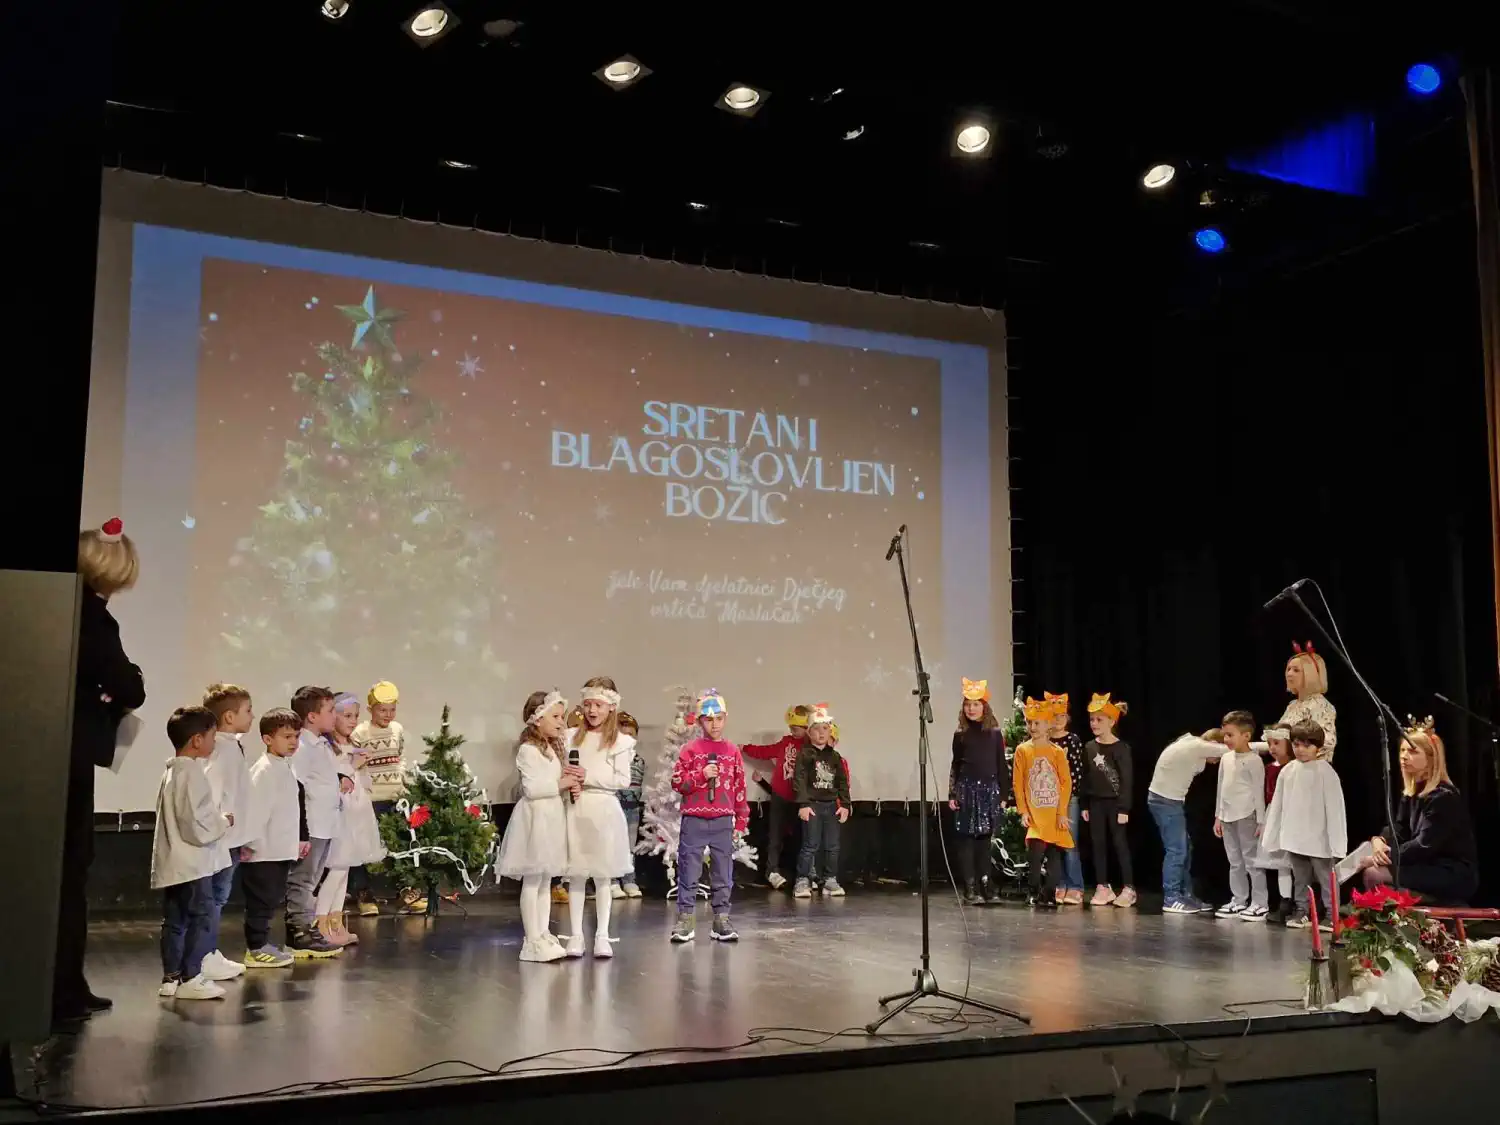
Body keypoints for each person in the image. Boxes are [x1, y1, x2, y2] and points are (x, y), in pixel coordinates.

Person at [55, 518, 146, 1025]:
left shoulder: (63, 610)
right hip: (67, 757)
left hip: (55, 753)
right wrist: (127, 680)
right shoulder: (93, 617)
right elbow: (127, 685)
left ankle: (64, 985)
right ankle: (62, 988)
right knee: (70, 870)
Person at [151, 707, 234, 1001]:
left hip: (175, 863)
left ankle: (171, 977)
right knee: (203, 917)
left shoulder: (172, 771)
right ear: (197, 740)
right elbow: (196, 824)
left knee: (175, 920)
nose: (214, 742)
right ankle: (191, 976)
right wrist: (223, 821)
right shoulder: (192, 773)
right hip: (193, 865)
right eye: (212, 736)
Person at [498, 690, 579, 962]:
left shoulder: (552, 750)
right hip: (535, 819)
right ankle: (531, 939)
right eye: (555, 717)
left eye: (562, 717)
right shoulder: (528, 750)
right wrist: (561, 784)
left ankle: (543, 932)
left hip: (552, 816)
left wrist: (568, 783)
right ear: (537, 719)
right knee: (533, 880)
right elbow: (531, 789)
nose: (560, 722)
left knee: (546, 880)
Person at [1360, 718, 1479, 903]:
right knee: (1367, 860)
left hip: (1448, 872)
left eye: (1413, 751)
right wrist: (1379, 840)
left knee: (1374, 874)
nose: (1404, 756)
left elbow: (1424, 845)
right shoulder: (1413, 792)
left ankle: (1407, 921)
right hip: (1425, 865)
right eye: (1402, 750)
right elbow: (1399, 827)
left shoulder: (1443, 797)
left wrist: (1387, 856)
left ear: (1431, 759)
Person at [563, 677, 638, 958]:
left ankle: (602, 935)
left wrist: (588, 777)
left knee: (603, 876)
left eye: (598, 705)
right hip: (577, 808)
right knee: (577, 875)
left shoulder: (620, 742)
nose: (592, 710)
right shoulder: (571, 737)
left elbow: (622, 779)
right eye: (588, 704)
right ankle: (575, 935)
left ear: (611, 708)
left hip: (604, 810)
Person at [670, 690, 749, 942]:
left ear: (725, 719)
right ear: (700, 721)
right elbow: (678, 783)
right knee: (689, 869)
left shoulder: (732, 751)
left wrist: (742, 817)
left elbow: (739, 786)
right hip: (694, 819)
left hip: (723, 820)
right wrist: (701, 775)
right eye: (709, 719)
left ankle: (721, 919)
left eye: (719, 718)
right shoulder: (690, 749)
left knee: (722, 871)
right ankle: (686, 918)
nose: (714, 724)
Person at [1259, 720, 1345, 929]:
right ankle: (1302, 910)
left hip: (1319, 838)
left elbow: (1335, 808)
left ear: (1319, 748)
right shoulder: (1288, 771)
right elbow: (1278, 803)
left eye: (1307, 745)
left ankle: (1332, 914)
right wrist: (1273, 834)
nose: (1301, 750)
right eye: (1297, 745)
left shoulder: (1326, 772)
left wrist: (1337, 840)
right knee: (1300, 877)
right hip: (1295, 836)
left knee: (1326, 877)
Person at [238, 708, 304, 968]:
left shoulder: (283, 767)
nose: (293, 742)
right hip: (263, 852)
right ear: (267, 739)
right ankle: (255, 948)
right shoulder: (263, 771)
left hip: (278, 849)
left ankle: (262, 944)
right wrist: (251, 844)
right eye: (286, 736)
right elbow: (255, 812)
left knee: (271, 898)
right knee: (261, 901)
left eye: (296, 736)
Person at [318, 692, 385, 947]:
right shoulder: (327, 749)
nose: (353, 720)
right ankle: (320, 922)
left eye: (356, 716)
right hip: (340, 815)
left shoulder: (350, 747)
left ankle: (335, 923)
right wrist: (352, 765)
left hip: (356, 814)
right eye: (347, 715)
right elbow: (335, 782)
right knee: (336, 870)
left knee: (344, 870)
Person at [200, 684, 253, 981]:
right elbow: (218, 791)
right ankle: (205, 955)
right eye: (247, 711)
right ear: (229, 717)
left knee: (217, 897)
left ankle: (209, 952)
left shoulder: (229, 745)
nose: (252, 716)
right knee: (214, 898)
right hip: (222, 837)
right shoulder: (222, 748)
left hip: (231, 837)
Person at [286, 686, 343, 956]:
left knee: (313, 878)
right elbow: (296, 785)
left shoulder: (321, 744)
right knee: (303, 879)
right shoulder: (302, 746)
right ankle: (299, 930)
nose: (336, 716)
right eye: (330, 711)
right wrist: (302, 831)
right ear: (311, 716)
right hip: (313, 825)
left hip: (326, 823)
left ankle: (307, 927)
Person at [350, 680, 415, 915]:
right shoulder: (360, 733)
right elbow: (354, 764)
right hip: (371, 798)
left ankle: (404, 891)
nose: (388, 715)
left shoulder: (397, 730)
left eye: (392, 709)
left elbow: (401, 757)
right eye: (382, 710)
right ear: (371, 709)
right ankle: (364, 893)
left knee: (399, 844)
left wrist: (403, 783)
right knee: (366, 846)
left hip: (396, 796)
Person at [1148, 727, 1229, 914]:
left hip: (1170, 802)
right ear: (1214, 745)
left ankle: (1185, 894)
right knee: (1176, 850)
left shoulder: (1191, 745)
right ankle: (1171, 898)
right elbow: (1237, 747)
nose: (1216, 761)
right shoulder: (1197, 746)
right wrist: (1272, 743)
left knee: (1184, 847)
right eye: (1217, 755)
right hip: (1165, 801)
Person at [947, 678, 1008, 905]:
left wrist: (1003, 795)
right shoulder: (960, 735)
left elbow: (1001, 764)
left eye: (976, 704)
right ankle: (969, 888)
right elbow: (956, 765)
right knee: (966, 840)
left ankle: (986, 886)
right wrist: (953, 794)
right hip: (966, 789)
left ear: (984, 706)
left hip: (989, 790)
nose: (971, 709)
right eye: (967, 704)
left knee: (984, 839)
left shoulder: (994, 734)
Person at [740, 704, 812, 889]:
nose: (793, 731)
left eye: (796, 729)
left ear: (806, 728)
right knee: (775, 836)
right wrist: (746, 748)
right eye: (791, 728)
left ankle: (803, 874)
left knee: (801, 837)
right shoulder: (785, 743)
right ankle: (771, 870)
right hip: (780, 796)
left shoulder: (809, 746)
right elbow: (765, 751)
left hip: (800, 799)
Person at [1013, 697, 1074, 909]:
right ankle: (1033, 892)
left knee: (1055, 857)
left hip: (1054, 812)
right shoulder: (1023, 750)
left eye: (1037, 723)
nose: (1032, 727)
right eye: (1030, 723)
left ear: (1049, 725)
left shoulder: (1057, 753)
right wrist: (1023, 811)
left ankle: (1049, 894)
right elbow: (1018, 783)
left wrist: (1061, 813)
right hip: (1035, 814)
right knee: (1035, 856)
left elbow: (1066, 783)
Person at [1212, 711, 1268, 920]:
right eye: (1224, 735)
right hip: (1227, 816)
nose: (1226, 739)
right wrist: (1218, 815)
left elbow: (1258, 792)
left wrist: (1260, 820)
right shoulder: (1226, 758)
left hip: (1247, 815)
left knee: (1251, 860)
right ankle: (1238, 899)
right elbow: (1221, 789)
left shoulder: (1254, 761)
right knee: (1235, 861)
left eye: (1230, 735)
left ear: (1246, 736)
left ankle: (1259, 902)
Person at [792, 703, 851, 898]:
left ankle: (830, 879)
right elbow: (799, 780)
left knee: (833, 845)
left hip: (831, 806)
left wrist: (845, 805)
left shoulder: (834, 757)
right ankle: (803, 879)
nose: (821, 733)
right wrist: (803, 804)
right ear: (809, 733)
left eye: (825, 728)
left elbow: (842, 782)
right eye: (816, 729)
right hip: (813, 806)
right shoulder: (805, 755)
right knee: (810, 844)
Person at [1082, 693, 1135, 908]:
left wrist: (1124, 807)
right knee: (1098, 845)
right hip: (1095, 803)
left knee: (1119, 844)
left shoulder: (1121, 748)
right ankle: (1103, 886)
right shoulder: (1089, 747)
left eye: (1099, 720)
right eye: (1092, 719)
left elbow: (1127, 780)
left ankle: (1129, 888)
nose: (1094, 724)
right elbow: (1085, 777)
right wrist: (1085, 804)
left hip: (1115, 804)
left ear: (1112, 722)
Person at [1045, 692, 1088, 904]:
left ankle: (1076, 885)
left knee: (1069, 842)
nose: (1057, 720)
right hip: (1047, 800)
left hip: (1068, 798)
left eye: (1061, 715)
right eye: (1053, 715)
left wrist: (1069, 796)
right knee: (1054, 844)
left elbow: (1077, 772)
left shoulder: (1072, 740)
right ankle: (1060, 883)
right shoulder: (1043, 741)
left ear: (1067, 717)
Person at [1256, 727, 1296, 923]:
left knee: (1299, 863)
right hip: (1275, 814)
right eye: (1270, 743)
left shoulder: (1296, 767)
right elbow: (1267, 795)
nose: (1272, 747)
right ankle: (1285, 902)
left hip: (1293, 815)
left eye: (1277, 743)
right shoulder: (1270, 768)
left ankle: (1304, 904)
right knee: (1282, 864)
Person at [1278, 642, 1338, 761]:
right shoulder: (1292, 706)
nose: (1289, 674)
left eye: (1296, 670)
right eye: (1288, 669)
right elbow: (1279, 741)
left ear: (1310, 675)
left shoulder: (1320, 704)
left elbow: (1326, 742)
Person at [611, 711, 645, 899]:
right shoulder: (612, 759)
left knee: (629, 845)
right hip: (615, 807)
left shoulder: (639, 760)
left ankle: (629, 879)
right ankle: (613, 880)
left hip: (632, 809)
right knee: (613, 843)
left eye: (631, 735)